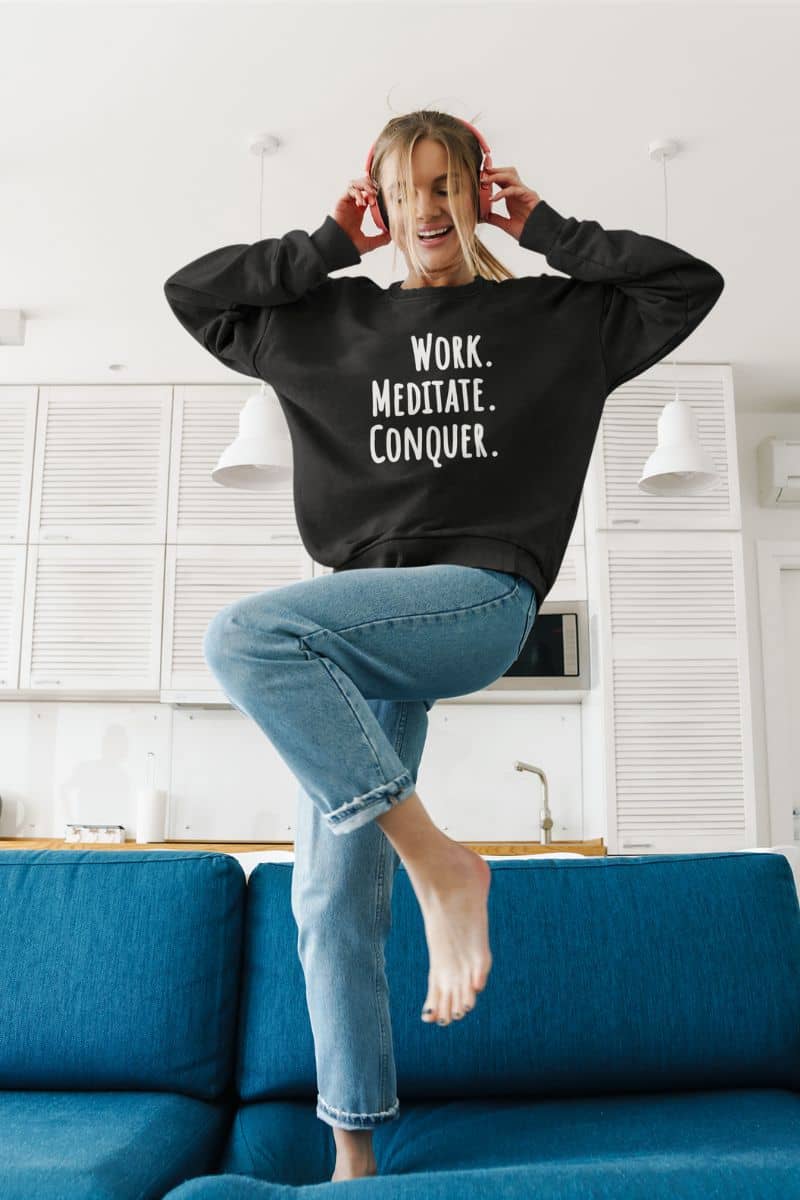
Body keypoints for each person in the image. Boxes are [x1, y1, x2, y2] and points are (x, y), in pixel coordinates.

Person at [163, 108, 724, 1181]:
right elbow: (195, 294)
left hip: (475, 598)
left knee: (243, 634)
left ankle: (442, 867)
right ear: (377, 199)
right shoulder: (325, 325)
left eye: (446, 183)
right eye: (404, 186)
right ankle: (355, 1155)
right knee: (327, 897)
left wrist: (550, 227)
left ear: (477, 191)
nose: (427, 206)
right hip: (350, 630)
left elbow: (682, 283)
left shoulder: (553, 319)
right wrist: (326, 246)